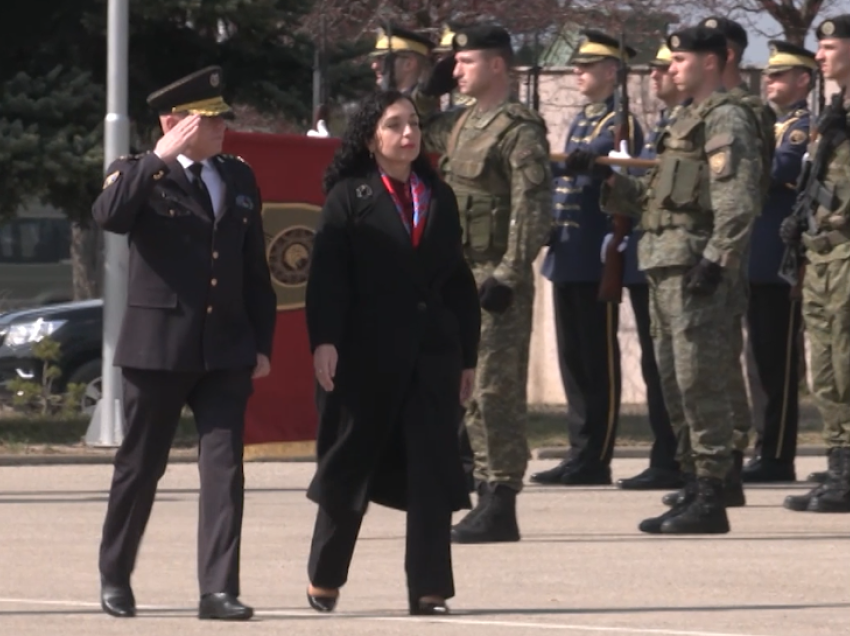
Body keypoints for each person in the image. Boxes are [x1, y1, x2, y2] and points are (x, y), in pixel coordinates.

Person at [559, 25, 761, 533]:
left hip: (697, 270)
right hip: (665, 265)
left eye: (681, 58)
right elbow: (657, 195)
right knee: (674, 383)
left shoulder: (726, 118)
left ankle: (712, 493)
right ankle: (695, 483)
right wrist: (608, 178)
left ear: (712, 62)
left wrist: (715, 263)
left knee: (700, 383)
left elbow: (738, 203)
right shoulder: (683, 121)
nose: (670, 67)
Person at [92, 66, 277, 619]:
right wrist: (157, 160)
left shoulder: (238, 177)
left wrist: (261, 343)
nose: (222, 126)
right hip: (159, 348)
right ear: (174, 122)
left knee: (224, 468)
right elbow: (109, 217)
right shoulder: (136, 173)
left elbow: (254, 270)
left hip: (224, 349)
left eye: (222, 116)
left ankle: (218, 589)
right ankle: (116, 573)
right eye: (210, 118)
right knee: (141, 465)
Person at [303, 89, 482, 615]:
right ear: (370, 137)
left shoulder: (437, 195)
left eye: (415, 125)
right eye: (395, 125)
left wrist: (466, 356)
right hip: (365, 360)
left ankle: (429, 589)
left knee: (432, 471)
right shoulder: (348, 198)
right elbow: (327, 281)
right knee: (349, 466)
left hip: (431, 358)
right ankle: (325, 576)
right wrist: (325, 341)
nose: (409, 134)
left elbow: (457, 282)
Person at [417, 24, 552, 544]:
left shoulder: (519, 128)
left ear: (497, 66)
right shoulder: (459, 124)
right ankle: (478, 486)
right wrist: (427, 90)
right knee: (465, 389)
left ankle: (501, 499)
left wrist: (512, 273)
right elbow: (405, 125)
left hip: (494, 278)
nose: (457, 71)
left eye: (466, 61)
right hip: (456, 274)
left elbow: (530, 206)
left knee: (493, 390)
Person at [531, 30, 644, 487]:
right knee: (574, 359)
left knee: (598, 360)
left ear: (611, 72)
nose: (577, 71)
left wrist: (588, 159)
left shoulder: (622, 121)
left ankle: (596, 454)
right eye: (576, 65)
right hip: (568, 253)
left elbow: (612, 162)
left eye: (587, 66)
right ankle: (579, 449)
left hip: (597, 254)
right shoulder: (583, 118)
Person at [696, 16, 775, 500]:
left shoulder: (743, 111)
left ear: (725, 55)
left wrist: (718, 252)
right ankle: (715, 465)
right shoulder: (701, 110)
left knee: (724, 357)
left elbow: (740, 189)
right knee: (708, 362)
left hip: (726, 250)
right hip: (696, 244)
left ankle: (730, 461)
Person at [781, 15, 850, 514]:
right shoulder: (834, 110)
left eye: (828, 46)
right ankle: (839, 466)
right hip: (822, 254)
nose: (819, 56)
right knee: (825, 370)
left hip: (846, 253)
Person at [741, 41, 817, 483]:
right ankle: (764, 448)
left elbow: (776, 172)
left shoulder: (799, 128)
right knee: (758, 360)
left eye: (780, 74)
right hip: (758, 257)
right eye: (770, 74)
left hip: (780, 260)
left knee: (778, 362)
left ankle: (777, 454)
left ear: (803, 80)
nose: (770, 81)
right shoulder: (770, 126)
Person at [616, 41, 686, 491]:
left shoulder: (698, 124)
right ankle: (667, 454)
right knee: (657, 366)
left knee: (683, 371)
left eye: (667, 66)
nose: (657, 75)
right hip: (653, 256)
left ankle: (687, 461)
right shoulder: (665, 125)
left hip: (681, 259)